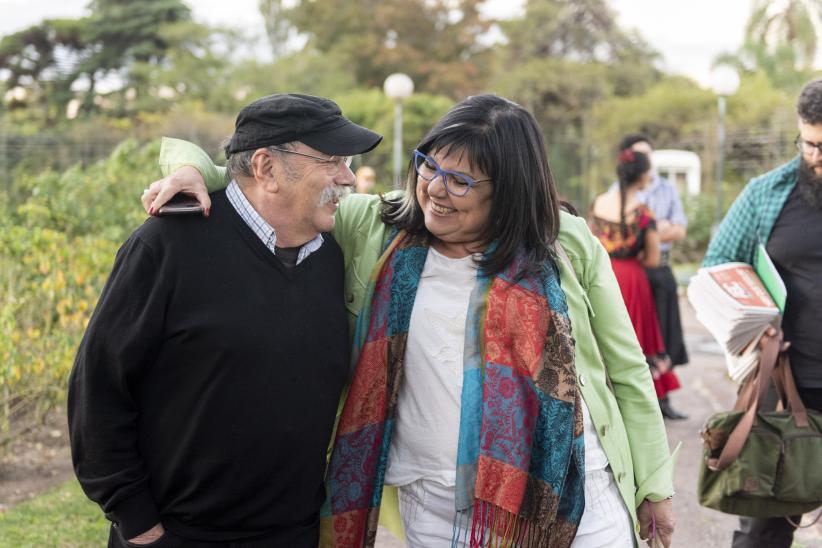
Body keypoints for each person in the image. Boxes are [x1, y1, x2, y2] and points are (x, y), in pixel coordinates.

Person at [146, 94, 678, 548]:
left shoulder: (562, 241)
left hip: (570, 496)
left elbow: (626, 368)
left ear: (509, 190)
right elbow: (249, 175)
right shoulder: (377, 226)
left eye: (461, 181)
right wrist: (190, 169)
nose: (435, 189)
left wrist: (656, 483)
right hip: (434, 504)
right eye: (429, 165)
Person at [68, 93, 382, 548]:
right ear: (267, 168)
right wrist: (138, 524)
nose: (348, 177)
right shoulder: (168, 244)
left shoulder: (333, 258)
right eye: (332, 160)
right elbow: (97, 389)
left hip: (293, 535)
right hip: (176, 536)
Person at [703, 78, 822, 548]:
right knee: (764, 527)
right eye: (811, 144)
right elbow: (716, 267)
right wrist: (752, 317)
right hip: (785, 381)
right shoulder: (765, 194)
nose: (820, 156)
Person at [590, 150, 683, 418]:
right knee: (636, 339)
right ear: (642, 176)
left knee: (604, 335)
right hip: (633, 279)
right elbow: (653, 259)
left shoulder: (597, 203)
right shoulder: (643, 214)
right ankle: (641, 401)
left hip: (603, 276)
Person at [618, 134, 689, 420]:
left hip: (660, 269)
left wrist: (651, 232)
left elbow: (680, 228)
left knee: (665, 333)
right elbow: (647, 233)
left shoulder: (666, 188)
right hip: (636, 272)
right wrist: (659, 229)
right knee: (637, 335)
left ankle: (664, 397)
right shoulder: (618, 191)